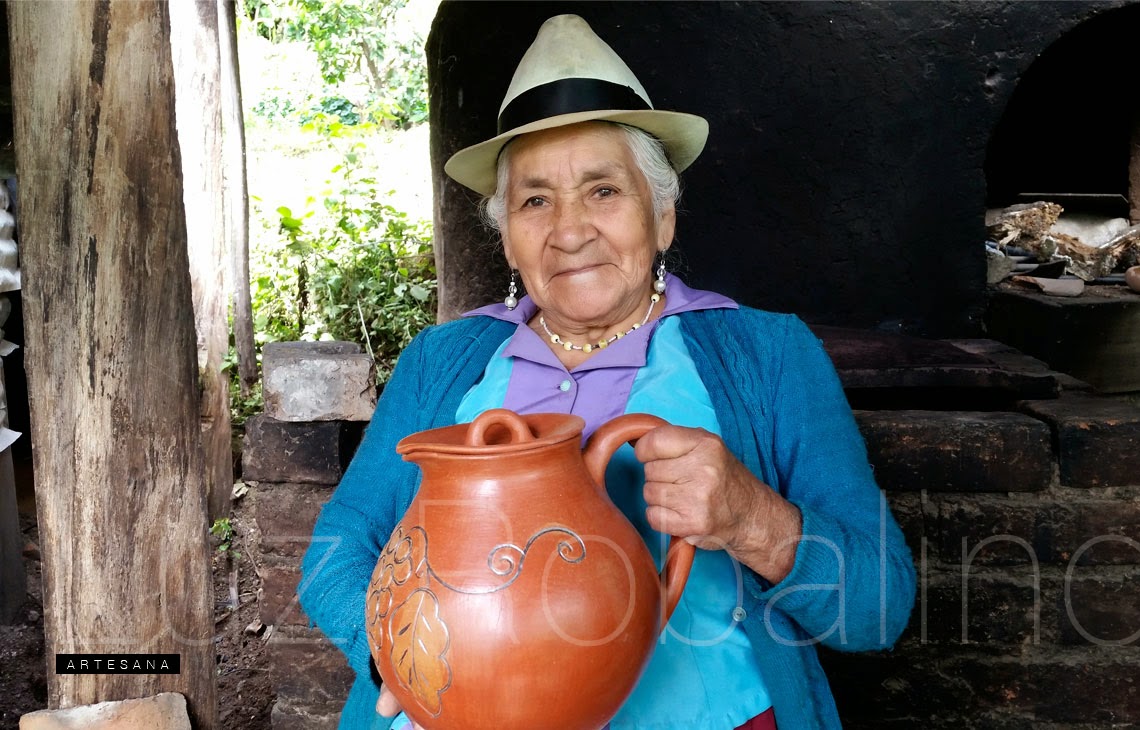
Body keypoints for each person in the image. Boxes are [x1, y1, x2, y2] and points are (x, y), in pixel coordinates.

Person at [299, 14, 916, 730]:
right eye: (535, 200)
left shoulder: (770, 355)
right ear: (507, 237)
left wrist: (752, 519)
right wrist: (393, 655)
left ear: (663, 219)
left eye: (603, 191)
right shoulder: (443, 361)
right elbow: (337, 550)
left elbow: (881, 607)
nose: (568, 230)